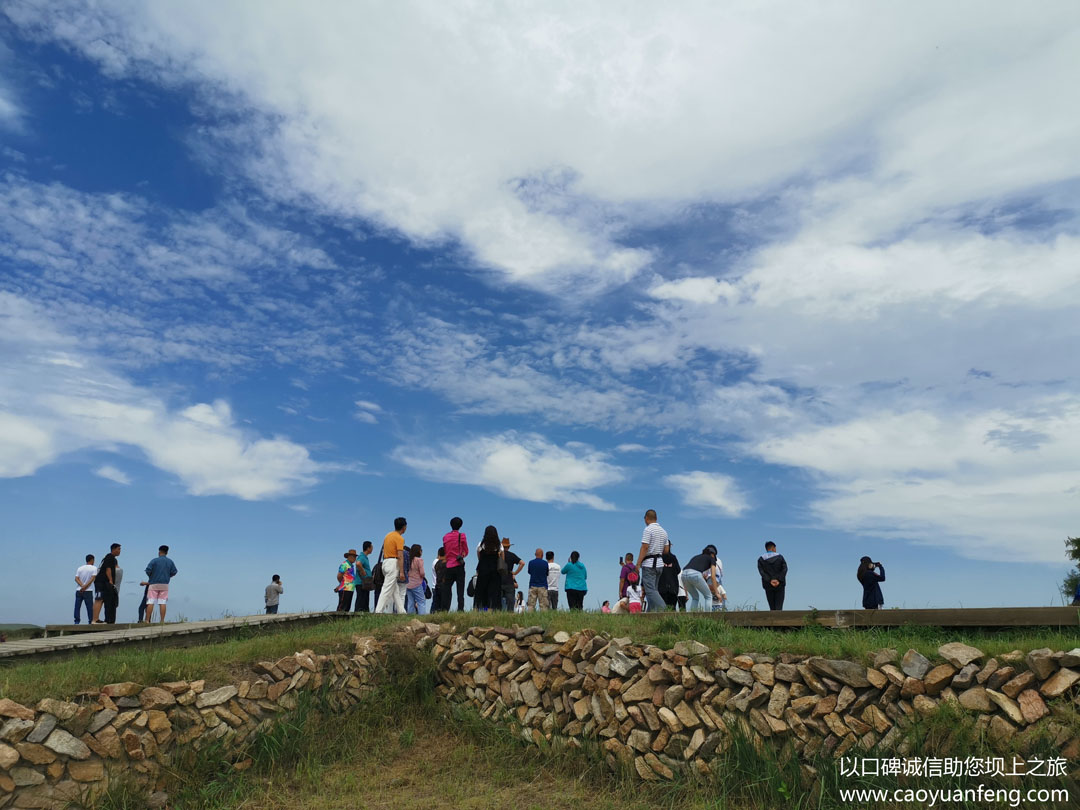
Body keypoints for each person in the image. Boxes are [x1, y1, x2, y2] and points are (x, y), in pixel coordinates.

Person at [636, 510, 670, 612]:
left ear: (646, 518)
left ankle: (665, 611)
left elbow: (645, 547)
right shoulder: (664, 531)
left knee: (650, 591)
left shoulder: (648, 530)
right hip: (659, 564)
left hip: (649, 564)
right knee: (653, 591)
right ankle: (650, 614)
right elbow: (666, 550)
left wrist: (638, 564)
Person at [375, 517, 409, 614]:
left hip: (385, 562)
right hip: (393, 563)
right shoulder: (399, 538)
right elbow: (400, 555)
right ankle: (378, 611)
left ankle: (402, 611)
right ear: (404, 527)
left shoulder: (388, 535)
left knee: (395, 590)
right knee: (386, 588)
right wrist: (402, 572)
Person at [144, 545, 177, 624]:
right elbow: (174, 572)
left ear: (159, 552)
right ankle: (162, 621)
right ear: (167, 552)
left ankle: (147, 620)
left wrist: (151, 576)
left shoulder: (154, 561)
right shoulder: (170, 561)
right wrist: (168, 576)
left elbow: (148, 570)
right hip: (165, 584)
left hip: (154, 583)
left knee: (150, 601)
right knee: (162, 602)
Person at [441, 517, 469, 612]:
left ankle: (444, 609)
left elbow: (445, 550)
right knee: (460, 590)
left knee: (447, 589)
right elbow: (466, 551)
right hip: (459, 565)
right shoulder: (462, 536)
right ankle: (460, 609)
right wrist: (462, 555)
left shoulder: (445, 537)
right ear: (460, 525)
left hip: (449, 566)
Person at [474, 526, 503, 611]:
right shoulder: (499, 545)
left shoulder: (481, 544)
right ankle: (491, 609)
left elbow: (479, 557)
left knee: (482, 590)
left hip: (483, 570)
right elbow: (502, 558)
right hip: (495, 571)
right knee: (493, 591)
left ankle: (483, 608)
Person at [682, 546, 716, 611]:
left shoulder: (696, 557)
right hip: (695, 574)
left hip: (684, 574)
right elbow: (713, 576)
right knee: (708, 596)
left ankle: (692, 617)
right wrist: (716, 592)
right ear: (712, 554)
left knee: (695, 597)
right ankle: (709, 617)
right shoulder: (711, 558)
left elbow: (692, 570)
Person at [95, 543, 121, 624]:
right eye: (118, 549)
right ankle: (95, 619)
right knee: (99, 599)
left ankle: (105, 619)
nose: (120, 551)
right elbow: (108, 569)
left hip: (102, 582)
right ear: (113, 549)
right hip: (102, 582)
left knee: (104, 600)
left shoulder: (108, 557)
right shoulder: (110, 557)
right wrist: (110, 580)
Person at [758, 541, 787, 611]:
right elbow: (785, 569)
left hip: (768, 585)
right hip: (779, 584)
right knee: (779, 606)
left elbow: (762, 572)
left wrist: (770, 580)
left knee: (772, 607)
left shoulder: (761, 559)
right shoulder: (780, 557)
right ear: (773, 548)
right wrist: (778, 579)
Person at [499, 538, 524, 611]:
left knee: (498, 602)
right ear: (509, 547)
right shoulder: (512, 555)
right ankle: (510, 616)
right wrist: (515, 572)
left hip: (499, 579)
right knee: (510, 603)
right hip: (509, 580)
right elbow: (522, 563)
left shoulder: (498, 554)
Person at [74, 554, 96, 625]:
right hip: (88, 590)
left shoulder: (80, 568)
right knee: (89, 607)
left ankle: (76, 621)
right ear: (92, 560)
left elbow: (76, 578)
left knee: (77, 606)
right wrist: (85, 586)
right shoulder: (94, 568)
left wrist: (82, 585)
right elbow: (92, 579)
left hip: (79, 590)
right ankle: (90, 621)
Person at [404, 544, 426, 614]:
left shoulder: (409, 559)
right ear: (419, 551)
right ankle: (422, 616)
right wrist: (422, 576)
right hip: (417, 583)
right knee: (421, 601)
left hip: (408, 583)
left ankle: (410, 617)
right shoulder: (419, 560)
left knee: (410, 601)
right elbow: (422, 572)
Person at [354, 542, 373, 613]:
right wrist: (363, 572)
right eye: (371, 547)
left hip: (365, 583)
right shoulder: (362, 556)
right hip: (361, 582)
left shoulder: (365, 557)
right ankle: (356, 615)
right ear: (368, 548)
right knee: (360, 600)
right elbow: (358, 563)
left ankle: (365, 614)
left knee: (365, 600)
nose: (372, 549)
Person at [430, 547, 447, 613]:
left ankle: (432, 615)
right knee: (437, 605)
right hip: (438, 585)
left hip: (435, 585)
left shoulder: (435, 561)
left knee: (435, 604)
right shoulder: (439, 562)